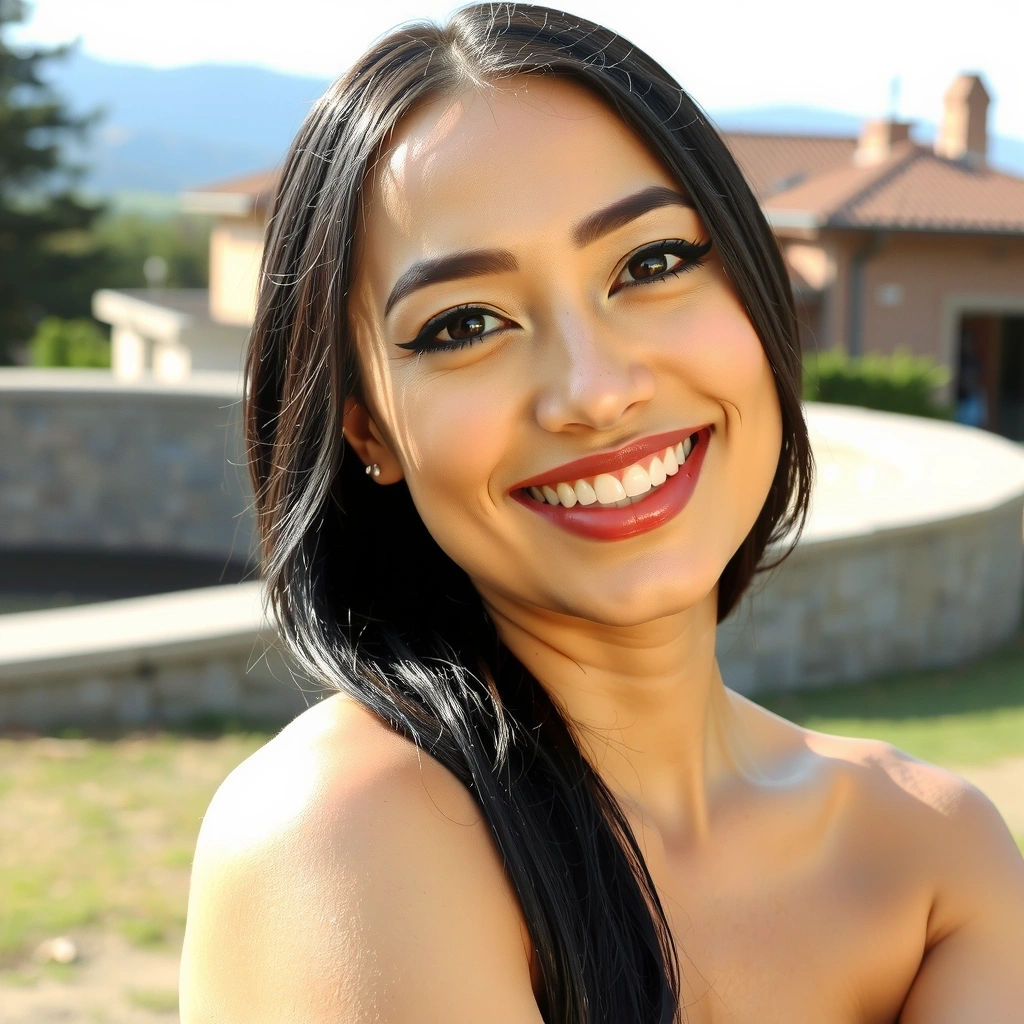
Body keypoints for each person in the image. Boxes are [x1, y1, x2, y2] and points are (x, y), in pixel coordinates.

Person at [178, 5, 1024, 1022]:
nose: (593, 389)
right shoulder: (336, 836)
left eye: (651, 263)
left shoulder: (933, 852)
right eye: (464, 324)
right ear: (367, 432)